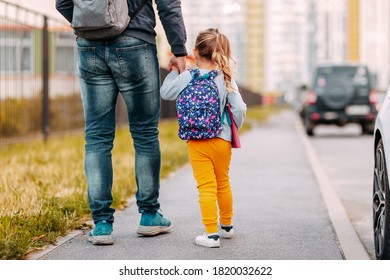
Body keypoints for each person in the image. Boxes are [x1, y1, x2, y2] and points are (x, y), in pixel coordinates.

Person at [55, 0, 187, 245]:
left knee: (96, 138)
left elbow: (62, 3)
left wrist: (91, 22)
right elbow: (168, 4)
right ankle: (149, 215)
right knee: (145, 133)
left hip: (89, 45)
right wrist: (178, 49)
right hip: (136, 42)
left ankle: (102, 224)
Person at [160, 28, 247, 248]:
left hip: (196, 140)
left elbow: (166, 93)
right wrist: (231, 128)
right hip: (221, 139)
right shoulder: (225, 78)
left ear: (196, 51)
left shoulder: (188, 76)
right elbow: (239, 108)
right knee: (222, 183)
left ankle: (211, 235)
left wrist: (174, 71)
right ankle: (226, 227)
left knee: (206, 187)